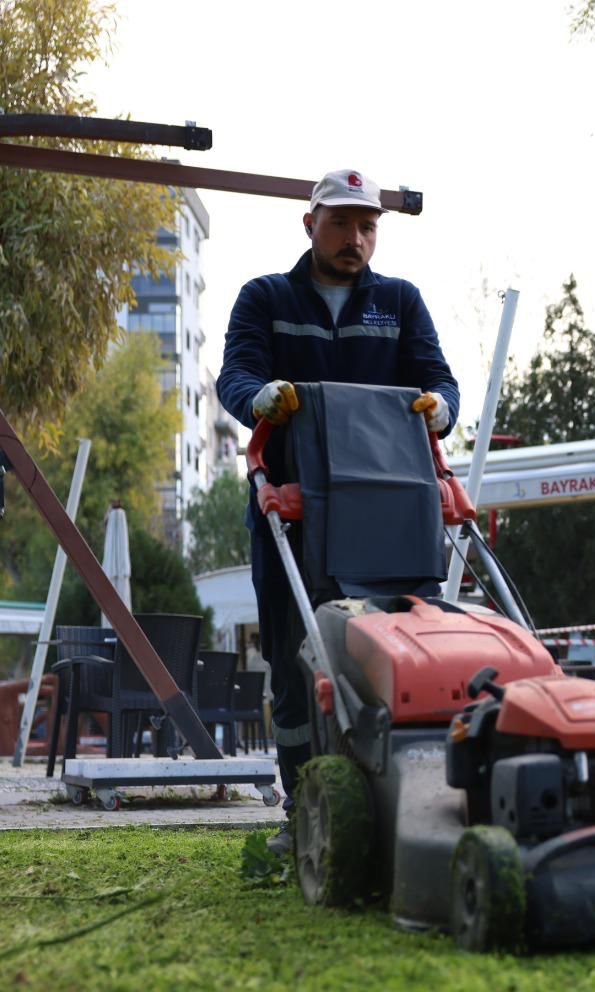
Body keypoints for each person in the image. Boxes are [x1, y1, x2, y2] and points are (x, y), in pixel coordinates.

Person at [217, 167, 460, 853]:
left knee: (397, 661)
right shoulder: (266, 298)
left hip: (388, 516)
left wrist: (440, 409)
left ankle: (406, 805)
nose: (356, 238)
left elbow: (439, 381)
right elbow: (234, 374)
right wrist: (259, 398)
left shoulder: (400, 304)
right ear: (310, 225)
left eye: (368, 226)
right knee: (297, 668)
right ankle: (305, 813)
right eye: (342, 224)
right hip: (292, 516)